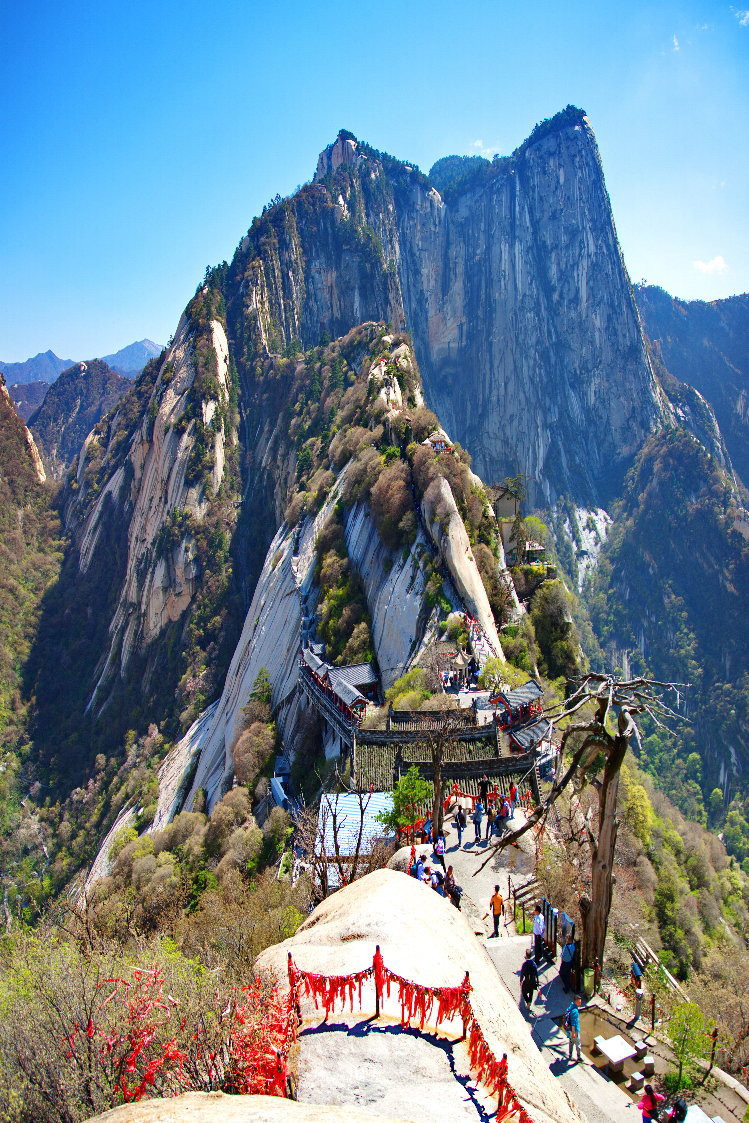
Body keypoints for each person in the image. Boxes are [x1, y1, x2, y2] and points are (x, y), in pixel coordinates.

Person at [563, 995, 583, 1063]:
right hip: (574, 1030)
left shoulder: (570, 1007)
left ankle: (570, 1054)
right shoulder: (575, 1011)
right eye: (579, 1002)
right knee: (578, 1044)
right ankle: (579, 1057)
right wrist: (574, 1032)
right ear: (576, 1002)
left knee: (571, 1042)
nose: (580, 1003)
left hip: (569, 1030)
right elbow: (574, 1023)